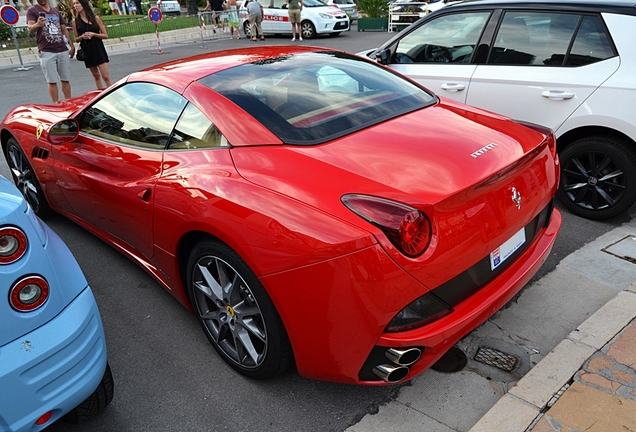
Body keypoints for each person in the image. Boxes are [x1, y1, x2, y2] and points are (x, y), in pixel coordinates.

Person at [27, 0, 75, 103]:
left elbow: (63, 29)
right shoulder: (32, 11)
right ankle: (56, 104)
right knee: (52, 80)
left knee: (65, 78)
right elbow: (30, 28)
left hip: (62, 49)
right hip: (46, 51)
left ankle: (68, 102)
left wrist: (71, 45)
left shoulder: (55, 11)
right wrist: (38, 24)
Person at [72, 0, 112, 89]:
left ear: (83, 4)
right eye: (74, 4)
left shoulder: (95, 18)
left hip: (98, 48)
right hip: (87, 49)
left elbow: (105, 35)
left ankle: (111, 92)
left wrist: (94, 34)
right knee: (96, 76)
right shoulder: (75, 21)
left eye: (77, 3)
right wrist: (82, 36)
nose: (75, 6)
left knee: (105, 76)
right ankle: (100, 93)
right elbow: (76, 39)